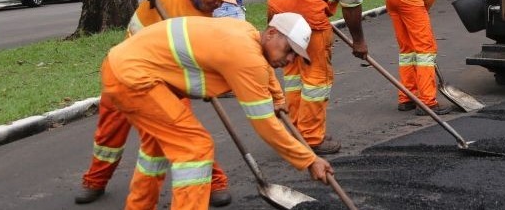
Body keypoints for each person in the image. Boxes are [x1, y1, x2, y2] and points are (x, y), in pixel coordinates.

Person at [101, 12, 333, 210]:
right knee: (195, 148)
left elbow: (264, 67)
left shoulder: (247, 33)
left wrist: (277, 96)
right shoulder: (247, 58)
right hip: (134, 78)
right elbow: (266, 127)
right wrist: (309, 160)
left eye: (295, 55)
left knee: (156, 148)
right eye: (289, 50)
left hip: (124, 67)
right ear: (271, 33)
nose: (290, 58)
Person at [75, 0, 245, 206]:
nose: (218, 2)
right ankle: (95, 181)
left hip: (166, 82)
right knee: (109, 132)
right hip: (127, 69)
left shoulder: (204, 21)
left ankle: (213, 182)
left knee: (186, 136)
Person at [266, 0, 387, 155]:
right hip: (308, 16)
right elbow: (352, 5)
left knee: (293, 73)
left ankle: (295, 129)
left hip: (279, 5)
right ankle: (311, 137)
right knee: (316, 78)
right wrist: (359, 42)